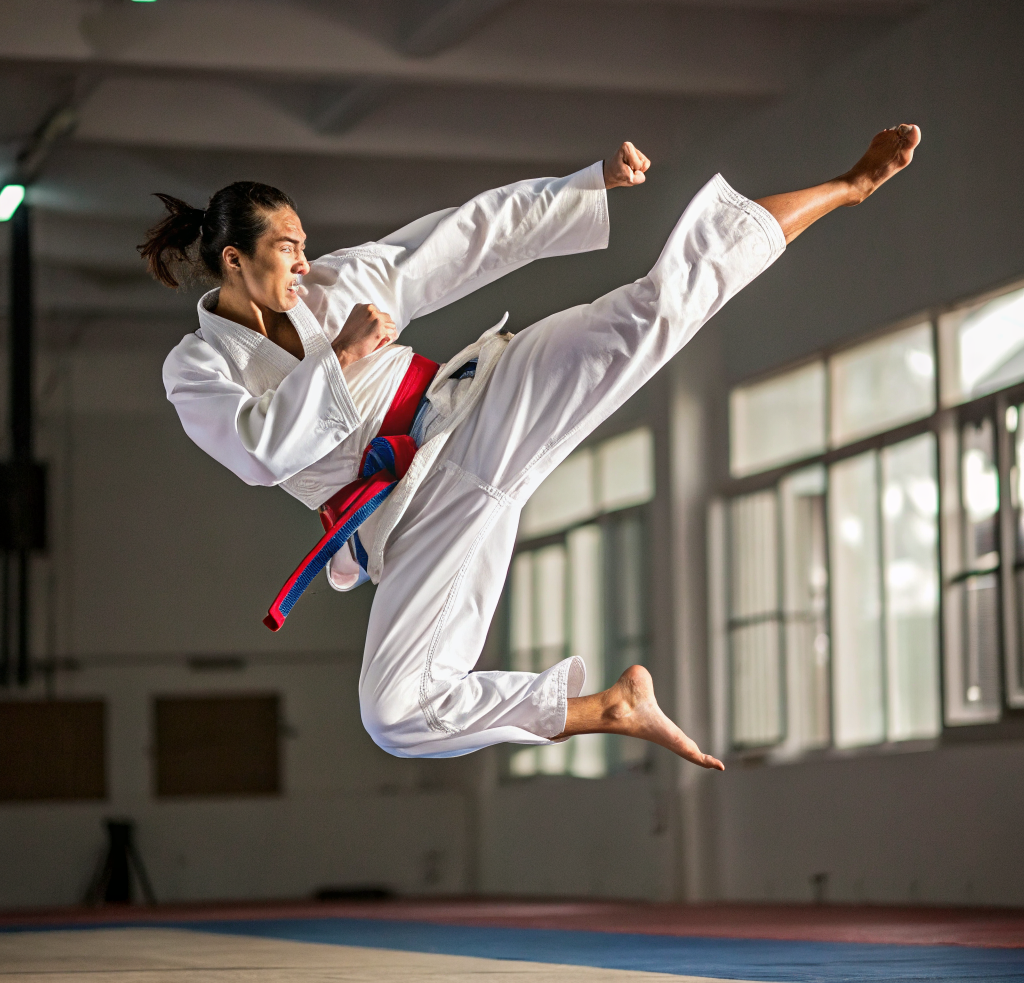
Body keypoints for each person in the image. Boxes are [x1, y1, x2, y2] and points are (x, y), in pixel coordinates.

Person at [147, 125, 921, 768]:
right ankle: (607, 708)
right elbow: (259, 454)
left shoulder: (338, 286)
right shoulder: (196, 367)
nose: (304, 262)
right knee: (394, 713)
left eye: (305, 245)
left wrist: (586, 187)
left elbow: (465, 237)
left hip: (476, 409)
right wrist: (342, 357)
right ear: (234, 260)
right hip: (414, 519)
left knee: (655, 309)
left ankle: (846, 186)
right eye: (288, 247)